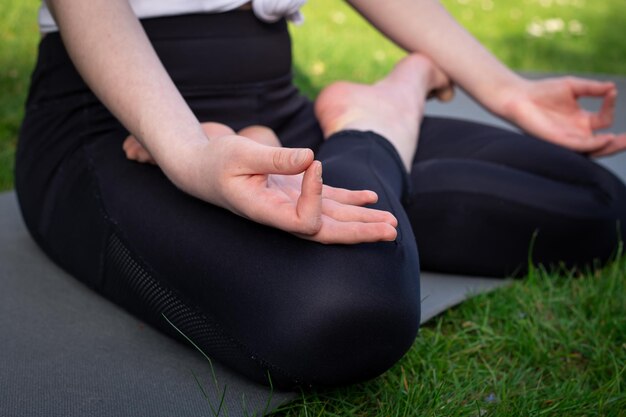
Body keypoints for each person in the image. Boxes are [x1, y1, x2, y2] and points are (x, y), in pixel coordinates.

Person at [16, 0, 626, 389]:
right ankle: (377, 122)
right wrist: (189, 152)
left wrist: (505, 88)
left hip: (278, 111)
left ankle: (362, 133)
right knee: (341, 305)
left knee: (594, 205)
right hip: (122, 121)